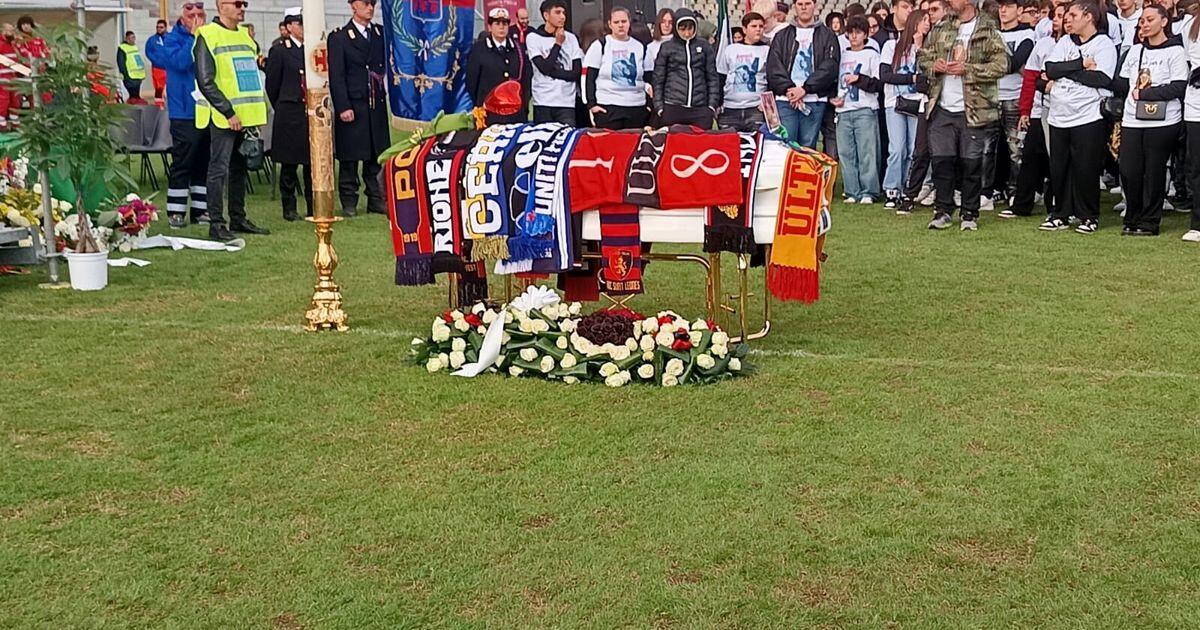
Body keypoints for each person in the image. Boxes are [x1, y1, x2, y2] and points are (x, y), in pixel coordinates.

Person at [918, 0, 1009, 231]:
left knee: (971, 165)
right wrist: (934, 65)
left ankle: (969, 213)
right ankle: (942, 211)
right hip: (941, 107)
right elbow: (922, 58)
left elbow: (1002, 65)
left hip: (974, 110)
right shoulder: (942, 28)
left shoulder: (988, 29)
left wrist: (968, 69)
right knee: (942, 163)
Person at [193, 0, 271, 240]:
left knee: (240, 169)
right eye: (237, 3)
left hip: (246, 116)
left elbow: (251, 76)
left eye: (244, 3)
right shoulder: (207, 35)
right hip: (224, 117)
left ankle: (238, 217)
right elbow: (206, 80)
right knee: (219, 168)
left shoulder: (247, 37)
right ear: (221, 6)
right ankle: (216, 223)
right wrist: (228, 111)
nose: (242, 7)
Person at [1039, 1, 1118, 234]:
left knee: (1086, 167)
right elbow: (1050, 69)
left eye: (1073, 15)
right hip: (1058, 115)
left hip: (1088, 115)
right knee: (1059, 167)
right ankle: (1061, 213)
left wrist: (1066, 71)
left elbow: (1102, 78)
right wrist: (1081, 65)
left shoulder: (1104, 44)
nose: (1067, 19)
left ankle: (1088, 216)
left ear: (1089, 16)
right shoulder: (1064, 41)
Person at [1112, 5, 1186, 235]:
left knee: (1154, 170)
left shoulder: (1175, 51)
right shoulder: (1135, 51)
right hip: (1133, 118)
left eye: (1149, 19)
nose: (1144, 24)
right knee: (1129, 169)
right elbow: (1121, 82)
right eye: (1142, 20)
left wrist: (1147, 93)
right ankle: (1132, 217)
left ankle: (1150, 221)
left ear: (1164, 22)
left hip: (1163, 121)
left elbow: (1179, 86)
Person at [145, 0, 211, 229]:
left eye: (199, 9)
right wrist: (193, 37)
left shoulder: (211, 35)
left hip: (207, 110)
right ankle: (176, 211)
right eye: (189, 9)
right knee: (183, 162)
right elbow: (180, 63)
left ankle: (200, 210)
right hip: (184, 112)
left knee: (204, 162)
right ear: (181, 15)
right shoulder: (173, 39)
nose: (195, 13)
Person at [327, 0, 390, 217]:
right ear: (353, 6)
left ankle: (375, 198)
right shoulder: (340, 38)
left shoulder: (380, 34)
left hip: (375, 104)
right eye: (365, 3)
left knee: (375, 155)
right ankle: (349, 200)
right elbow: (337, 75)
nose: (370, 8)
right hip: (354, 103)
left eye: (373, 3)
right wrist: (343, 105)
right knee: (350, 157)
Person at [1004, 2, 1064, 219]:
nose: (1055, 20)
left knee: (1056, 160)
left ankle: (1056, 206)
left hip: (1063, 112)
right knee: (1030, 156)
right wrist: (1025, 111)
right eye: (1054, 16)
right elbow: (1030, 78)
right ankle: (1022, 204)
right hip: (1039, 110)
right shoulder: (1044, 44)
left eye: (1060, 16)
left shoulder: (1070, 45)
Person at [766, 0, 841, 147]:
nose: (804, 7)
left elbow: (830, 67)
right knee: (786, 146)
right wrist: (790, 89)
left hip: (814, 100)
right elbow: (774, 67)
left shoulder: (827, 35)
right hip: (786, 100)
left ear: (815, 5)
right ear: (795, 7)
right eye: (800, 4)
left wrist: (805, 89)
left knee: (808, 148)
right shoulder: (782, 35)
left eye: (808, 3)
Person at [265, 8, 313, 222]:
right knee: (289, 163)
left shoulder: (311, 48)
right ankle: (289, 206)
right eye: (300, 24)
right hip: (289, 110)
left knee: (311, 163)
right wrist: (283, 103)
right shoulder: (280, 50)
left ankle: (314, 204)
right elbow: (272, 84)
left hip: (308, 112)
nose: (303, 28)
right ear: (290, 26)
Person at [880, 8, 929, 209]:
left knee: (913, 150)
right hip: (895, 101)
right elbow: (885, 75)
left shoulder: (926, 48)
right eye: (924, 20)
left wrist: (919, 49)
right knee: (897, 147)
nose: (928, 23)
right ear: (915, 22)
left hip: (917, 102)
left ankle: (909, 190)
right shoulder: (892, 46)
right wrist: (911, 78)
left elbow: (926, 74)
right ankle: (892, 188)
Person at [990, 0, 1036, 206]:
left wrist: (998, 62)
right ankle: (991, 189)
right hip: (991, 97)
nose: (1003, 10)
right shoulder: (992, 33)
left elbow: (1013, 63)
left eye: (1008, 7)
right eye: (1001, 7)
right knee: (988, 148)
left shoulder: (1027, 35)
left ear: (1019, 11)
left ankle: (1016, 191)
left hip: (1014, 97)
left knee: (1015, 148)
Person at [834, 16, 884, 204]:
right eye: (851, 33)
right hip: (843, 110)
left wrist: (859, 79)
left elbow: (878, 83)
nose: (854, 36)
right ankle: (851, 190)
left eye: (858, 33)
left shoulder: (872, 55)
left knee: (867, 152)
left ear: (865, 34)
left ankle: (869, 191)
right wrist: (834, 98)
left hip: (865, 108)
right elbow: (834, 80)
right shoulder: (842, 54)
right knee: (846, 152)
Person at [652, 8, 720, 127]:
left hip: (700, 109)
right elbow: (658, 79)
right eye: (682, 29)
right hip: (672, 107)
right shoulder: (667, 47)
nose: (687, 33)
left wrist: (711, 106)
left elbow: (713, 78)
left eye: (690, 28)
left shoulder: (704, 46)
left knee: (700, 144)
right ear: (676, 28)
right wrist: (659, 107)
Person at [585, 7, 650, 130]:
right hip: (608, 107)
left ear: (629, 22)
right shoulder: (600, 45)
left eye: (624, 21)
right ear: (610, 24)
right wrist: (591, 105)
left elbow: (649, 78)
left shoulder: (640, 46)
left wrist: (649, 105)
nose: (620, 25)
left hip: (636, 107)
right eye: (616, 22)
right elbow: (589, 77)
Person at [466, 8, 530, 124]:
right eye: (497, 23)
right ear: (490, 27)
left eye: (505, 23)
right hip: (490, 113)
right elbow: (472, 82)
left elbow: (526, 79)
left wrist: (524, 106)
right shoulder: (479, 49)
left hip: (515, 114)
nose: (501, 27)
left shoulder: (517, 48)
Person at [526, 0, 583, 125]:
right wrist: (558, 44)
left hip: (566, 102)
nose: (562, 16)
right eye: (557, 12)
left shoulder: (571, 38)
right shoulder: (533, 38)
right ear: (546, 15)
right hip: (543, 100)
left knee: (567, 138)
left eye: (563, 13)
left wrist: (553, 73)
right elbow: (544, 68)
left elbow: (576, 73)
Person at [717, 12, 771, 131]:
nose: (758, 29)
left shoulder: (767, 50)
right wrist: (718, 103)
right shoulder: (731, 49)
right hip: (730, 108)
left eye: (761, 26)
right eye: (754, 26)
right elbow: (721, 77)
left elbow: (772, 79)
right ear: (744, 29)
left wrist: (767, 104)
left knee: (756, 146)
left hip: (756, 108)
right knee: (729, 147)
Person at [644, 8, 674, 99]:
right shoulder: (651, 46)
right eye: (663, 21)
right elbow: (648, 74)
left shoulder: (679, 43)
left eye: (670, 22)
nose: (667, 25)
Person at [117, 31, 147, 103]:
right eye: (131, 38)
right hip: (130, 76)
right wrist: (125, 75)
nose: (133, 39)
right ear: (127, 38)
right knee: (133, 96)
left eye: (134, 37)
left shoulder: (135, 46)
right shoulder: (123, 48)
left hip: (138, 75)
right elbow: (121, 63)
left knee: (137, 96)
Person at [147, 20, 169, 104]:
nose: (159, 29)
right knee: (159, 88)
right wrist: (156, 61)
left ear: (165, 28)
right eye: (157, 27)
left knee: (172, 87)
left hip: (170, 68)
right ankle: (159, 105)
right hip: (158, 68)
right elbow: (148, 52)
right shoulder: (152, 40)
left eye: (161, 27)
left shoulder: (171, 38)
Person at [0, 24, 16, 131]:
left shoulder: (13, 44)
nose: (12, 33)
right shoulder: (1, 44)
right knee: (3, 100)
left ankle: (15, 122)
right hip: (3, 77)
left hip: (13, 76)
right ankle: (2, 123)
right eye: (9, 31)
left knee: (15, 101)